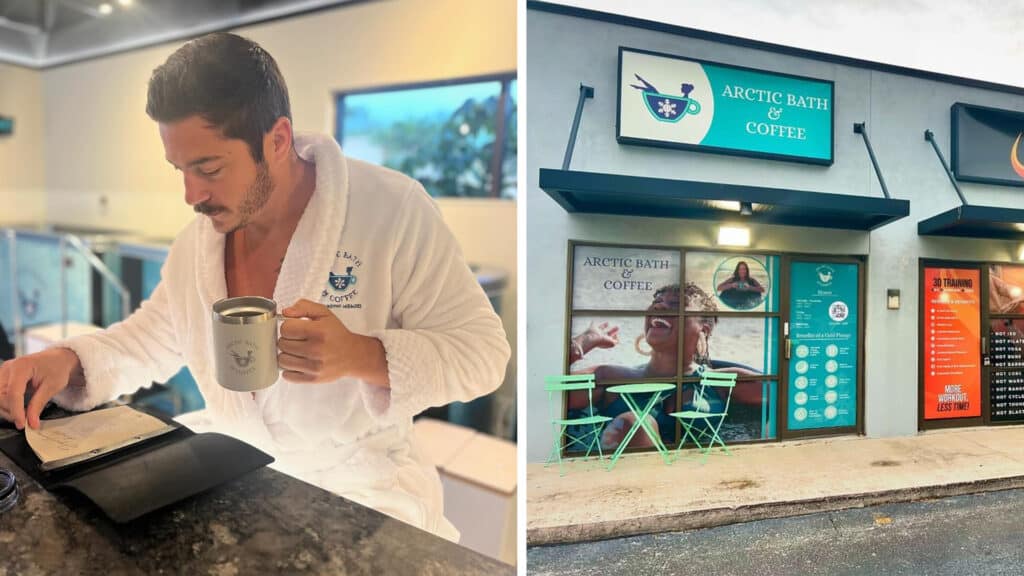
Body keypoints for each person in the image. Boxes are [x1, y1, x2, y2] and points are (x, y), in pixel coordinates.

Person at [0, 33, 510, 541]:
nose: (190, 194)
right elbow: (150, 338)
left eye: (209, 168)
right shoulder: (196, 247)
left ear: (278, 140)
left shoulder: (392, 210)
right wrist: (64, 362)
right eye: (180, 170)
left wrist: (361, 354)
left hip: (361, 494)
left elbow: (484, 354)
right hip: (238, 484)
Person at [568, 283, 763, 450]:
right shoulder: (608, 377)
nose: (660, 306)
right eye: (655, 303)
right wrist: (584, 342)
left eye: (676, 305)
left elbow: (789, 395)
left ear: (703, 328)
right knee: (635, 424)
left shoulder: (724, 382)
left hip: (696, 479)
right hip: (632, 485)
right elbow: (544, 396)